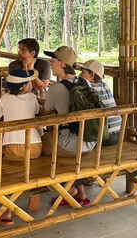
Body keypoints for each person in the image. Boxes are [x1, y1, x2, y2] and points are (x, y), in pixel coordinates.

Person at [0, 68, 46, 224]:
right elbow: (37, 111)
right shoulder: (32, 97)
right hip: (35, 145)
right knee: (31, 168)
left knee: (9, 176)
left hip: (13, 145)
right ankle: (34, 198)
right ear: (25, 86)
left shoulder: (5, 98)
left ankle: (7, 212)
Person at [37, 46, 95, 207]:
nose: (50, 63)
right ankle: (81, 192)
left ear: (62, 64)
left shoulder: (56, 88)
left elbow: (43, 114)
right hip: (89, 142)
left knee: (38, 145)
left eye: (53, 60)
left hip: (69, 145)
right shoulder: (85, 83)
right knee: (64, 143)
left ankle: (67, 190)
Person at [75, 60, 121, 146]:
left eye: (82, 72)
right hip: (119, 133)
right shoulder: (104, 85)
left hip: (105, 136)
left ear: (91, 74)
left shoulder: (88, 88)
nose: (79, 75)